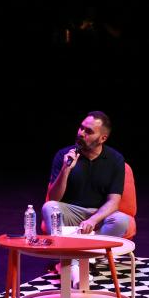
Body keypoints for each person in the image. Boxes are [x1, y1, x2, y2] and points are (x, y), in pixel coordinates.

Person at [42, 111, 130, 285]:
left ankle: (74, 259)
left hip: (98, 216)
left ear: (102, 138)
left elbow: (114, 201)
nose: (81, 133)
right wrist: (66, 169)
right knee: (49, 207)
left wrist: (93, 220)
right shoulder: (64, 155)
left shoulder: (115, 159)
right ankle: (84, 257)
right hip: (71, 212)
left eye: (88, 131)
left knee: (121, 220)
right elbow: (53, 197)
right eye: (81, 128)